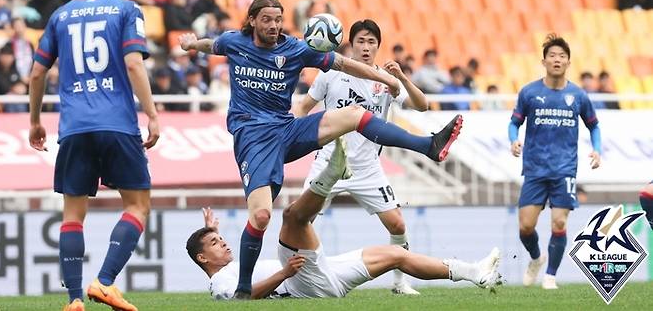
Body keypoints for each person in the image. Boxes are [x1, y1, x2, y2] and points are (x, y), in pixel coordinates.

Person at [178, 0, 463, 299]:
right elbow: (212, 46)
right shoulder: (235, 42)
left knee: (355, 115)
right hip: (253, 138)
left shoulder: (295, 49)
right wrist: (192, 44)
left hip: (286, 129)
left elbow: (342, 63)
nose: (274, 26)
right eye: (266, 20)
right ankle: (245, 289)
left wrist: (386, 78)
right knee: (261, 217)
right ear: (251, 21)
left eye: (277, 20)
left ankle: (428, 145)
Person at [186, 140, 503, 300]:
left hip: (324, 275)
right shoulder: (219, 284)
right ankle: (330, 175)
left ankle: (474, 272)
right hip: (301, 282)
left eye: (219, 237)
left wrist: (211, 231)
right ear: (202, 258)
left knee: (396, 255)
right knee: (294, 218)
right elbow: (246, 297)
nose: (223, 241)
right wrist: (284, 273)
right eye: (215, 243)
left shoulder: (228, 266)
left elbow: (221, 255)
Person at [28, 0, 160, 311]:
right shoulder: (126, 10)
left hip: (74, 127)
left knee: (73, 214)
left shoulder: (61, 15)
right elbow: (134, 63)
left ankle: (73, 300)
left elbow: (37, 74)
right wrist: (151, 113)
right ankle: (103, 282)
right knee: (137, 206)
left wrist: (35, 121)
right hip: (117, 123)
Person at [295, 19, 428, 295]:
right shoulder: (330, 74)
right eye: (361, 41)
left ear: (378, 46)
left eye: (371, 42)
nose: (366, 47)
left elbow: (422, 105)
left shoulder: (385, 81)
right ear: (350, 44)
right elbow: (303, 108)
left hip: (368, 168)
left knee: (397, 223)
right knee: (300, 220)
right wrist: (293, 139)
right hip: (330, 162)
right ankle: (291, 279)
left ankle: (400, 282)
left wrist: (401, 78)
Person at [509, 34, 601, 290]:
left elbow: (594, 126)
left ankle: (550, 276)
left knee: (559, 222)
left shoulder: (578, 95)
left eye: (562, 56)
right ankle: (537, 259)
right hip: (535, 169)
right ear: (544, 61)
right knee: (526, 227)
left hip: (564, 170)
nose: (557, 59)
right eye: (552, 55)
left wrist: (597, 150)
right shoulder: (529, 92)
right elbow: (514, 122)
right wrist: (514, 140)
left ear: (568, 62)